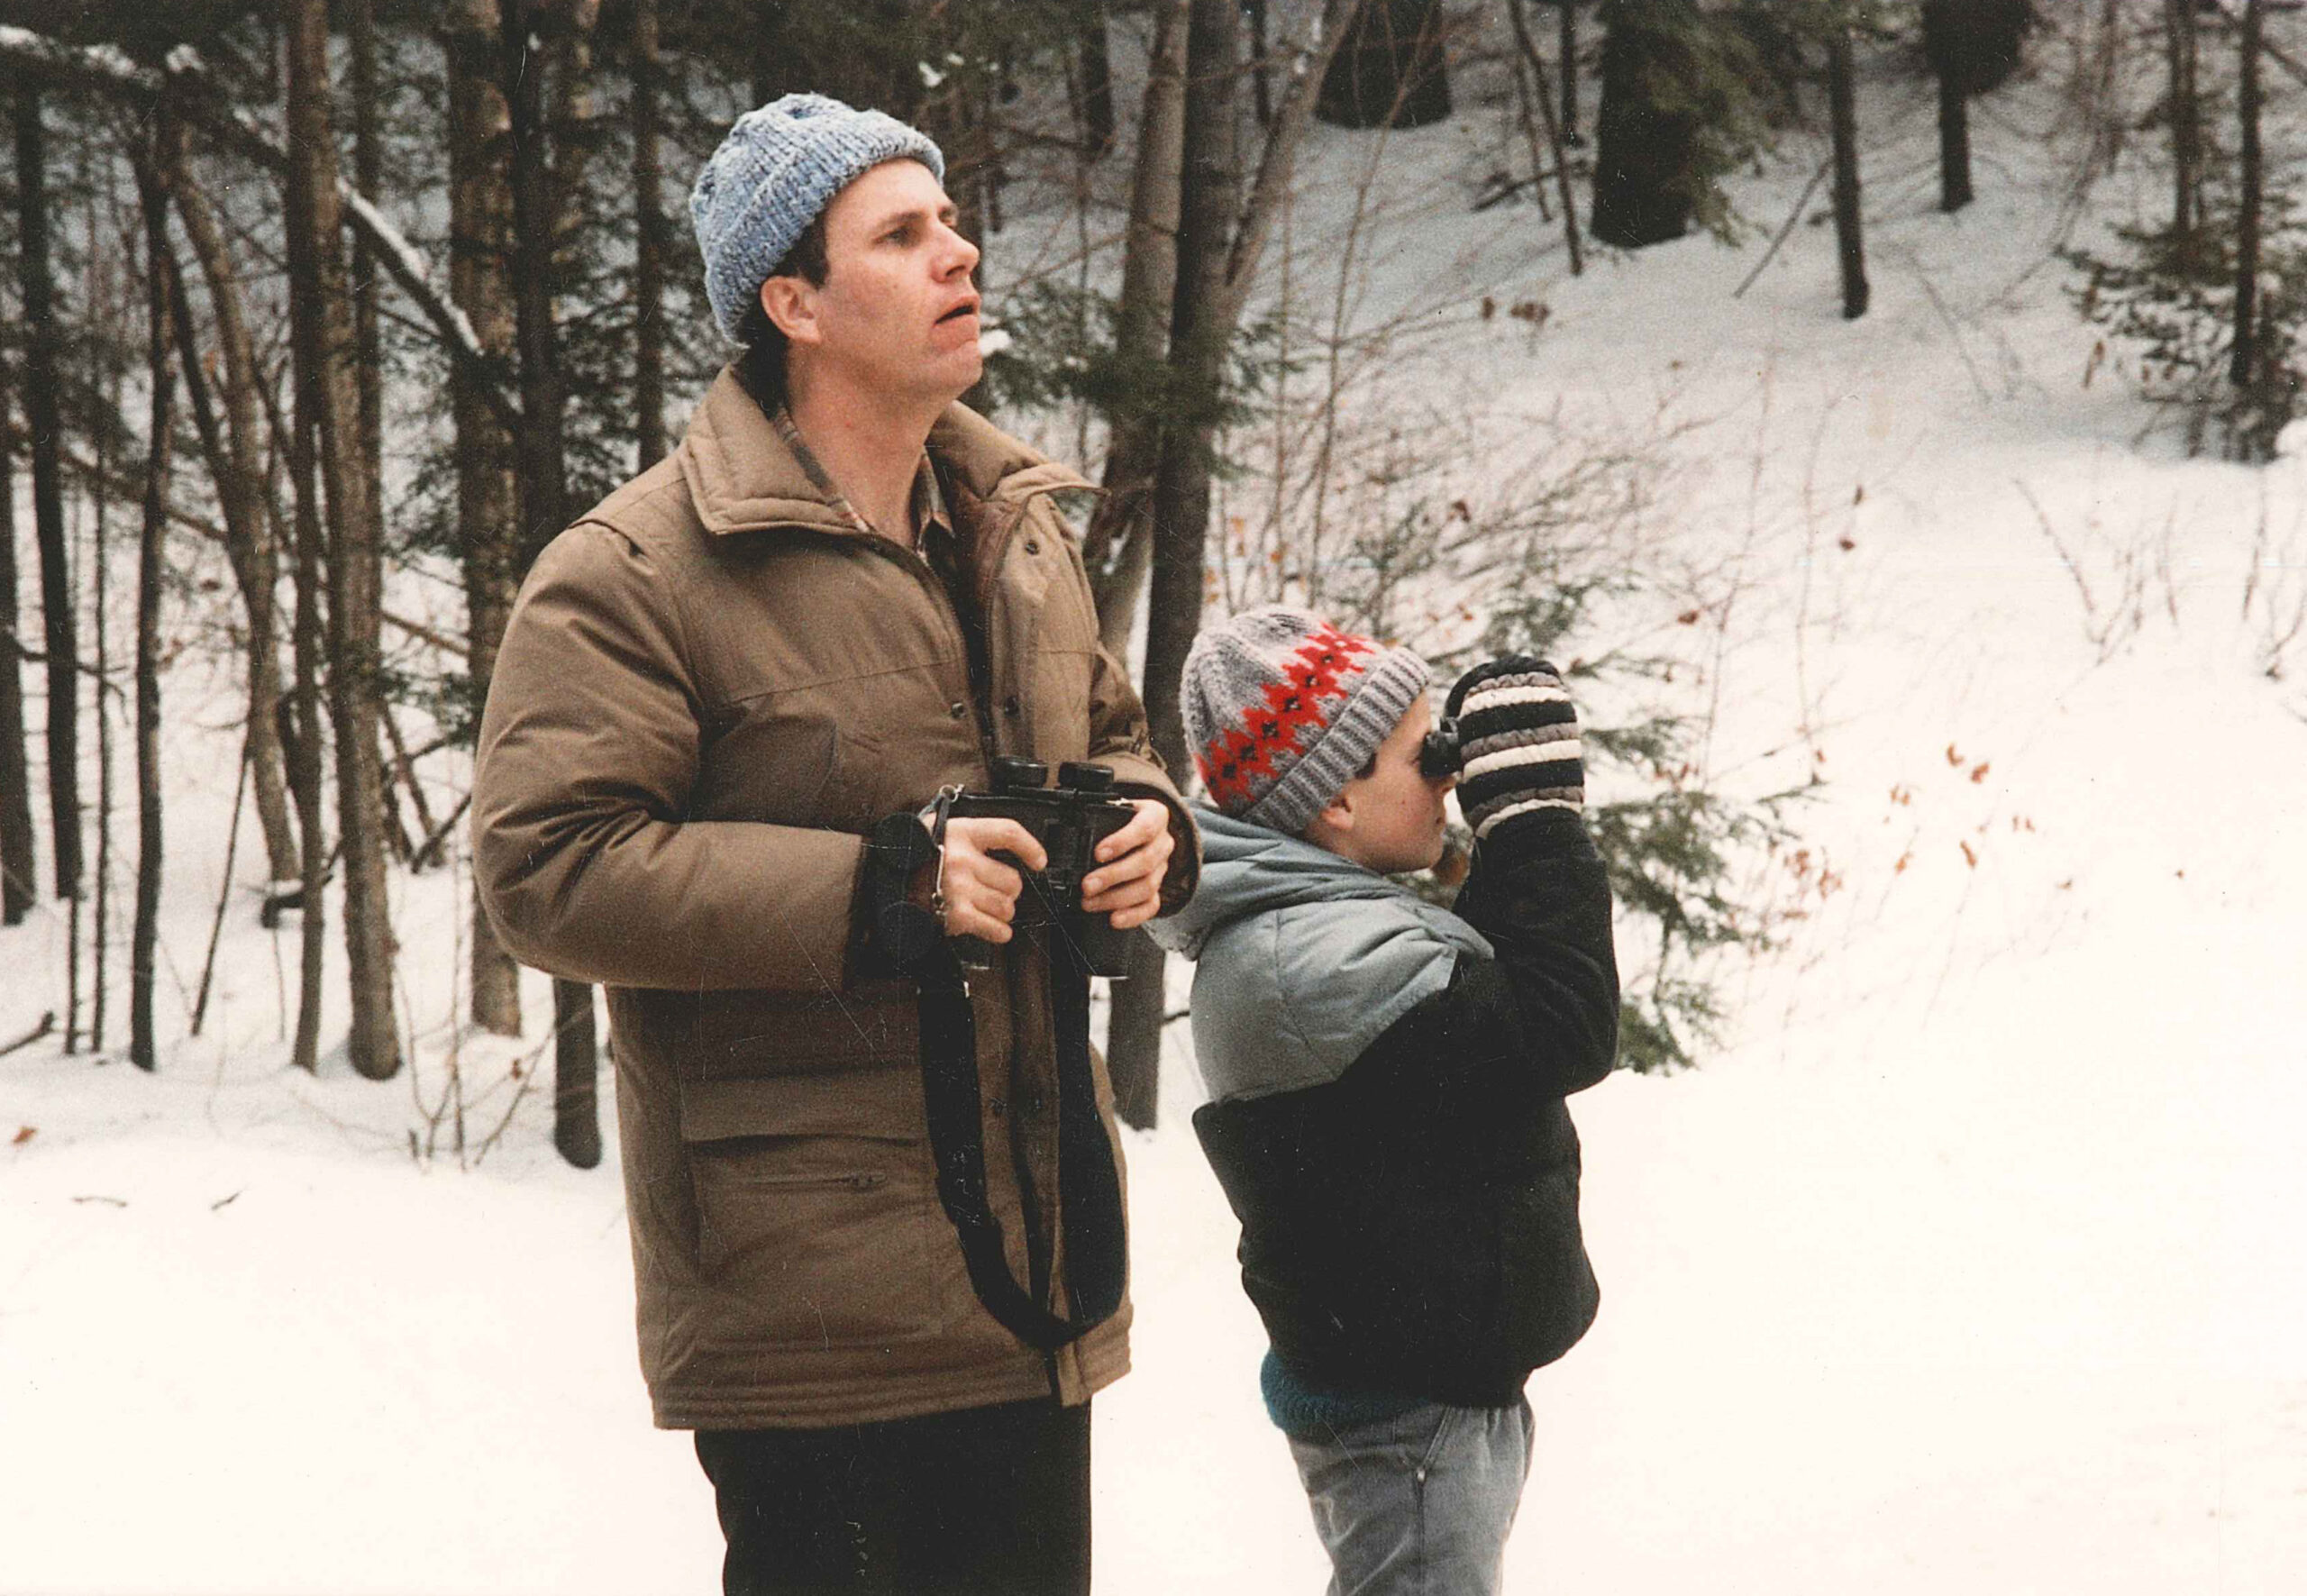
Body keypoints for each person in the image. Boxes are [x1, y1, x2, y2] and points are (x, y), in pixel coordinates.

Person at [471, 93, 1197, 1596]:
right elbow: (546, 871)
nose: (961, 251)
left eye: (950, 220)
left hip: (1033, 1269)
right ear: (791, 303)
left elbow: (1114, 736)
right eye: (904, 232)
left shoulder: (1014, 527)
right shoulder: (630, 573)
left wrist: (1148, 829)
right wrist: (883, 887)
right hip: (816, 1312)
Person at [1149, 606, 1619, 1596]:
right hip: (1408, 1410)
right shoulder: (1301, 962)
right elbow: (1551, 1028)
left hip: (1427, 1388)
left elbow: (1482, 1014)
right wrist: (1533, 823)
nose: (1447, 773)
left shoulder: (1316, 920)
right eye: (1425, 755)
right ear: (1335, 807)